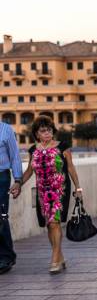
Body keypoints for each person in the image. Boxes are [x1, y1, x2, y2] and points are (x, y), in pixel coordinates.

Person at [15, 116, 83, 274]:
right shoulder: (33, 150)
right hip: (42, 192)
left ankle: (54, 260)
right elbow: (29, 171)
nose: (47, 133)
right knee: (49, 224)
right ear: (37, 134)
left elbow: (71, 168)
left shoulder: (62, 147)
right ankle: (60, 256)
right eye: (43, 130)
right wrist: (18, 184)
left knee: (55, 223)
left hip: (60, 190)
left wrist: (78, 188)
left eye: (50, 130)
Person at [0, 120, 22, 275]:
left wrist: (18, 180)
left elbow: (14, 155)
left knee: (0, 216)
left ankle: (7, 256)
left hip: (1, 178)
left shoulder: (6, 130)